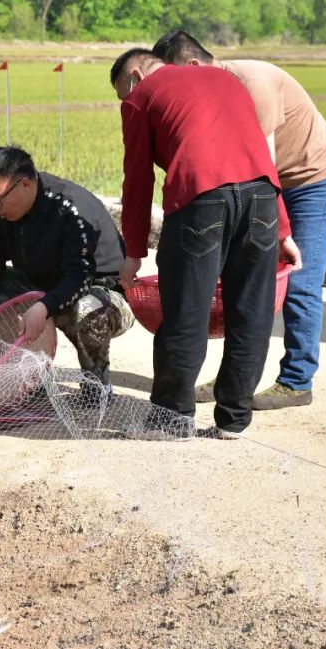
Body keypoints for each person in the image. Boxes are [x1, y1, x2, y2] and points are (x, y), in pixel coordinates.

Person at [110, 48, 302, 439]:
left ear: (134, 75)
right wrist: (283, 231)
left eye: (123, 92)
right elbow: (260, 156)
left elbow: (137, 181)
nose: (125, 100)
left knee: (185, 311)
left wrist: (133, 254)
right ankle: (234, 420)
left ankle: (171, 420)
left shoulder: (141, 96)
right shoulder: (226, 81)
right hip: (262, 200)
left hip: (200, 199)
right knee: (252, 313)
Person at [151, 31, 326, 410]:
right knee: (236, 282)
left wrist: (278, 230)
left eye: (174, 77)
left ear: (192, 66)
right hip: (261, 189)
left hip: (310, 183)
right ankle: (233, 380)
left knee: (298, 280)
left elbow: (263, 167)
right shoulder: (212, 91)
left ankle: (296, 380)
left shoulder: (252, 84)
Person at [0, 145, 134, 395]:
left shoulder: (71, 209)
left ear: (24, 184)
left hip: (101, 294)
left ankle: (96, 387)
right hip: (44, 289)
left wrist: (43, 307)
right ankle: (25, 380)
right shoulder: (7, 217)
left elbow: (79, 277)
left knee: (88, 309)